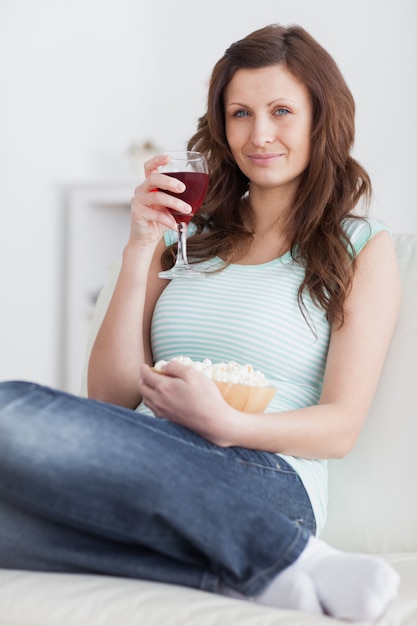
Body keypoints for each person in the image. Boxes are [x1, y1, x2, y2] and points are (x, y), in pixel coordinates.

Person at [0, 23, 401, 622]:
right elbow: (111, 397)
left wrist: (227, 422)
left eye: (282, 111)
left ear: (323, 119)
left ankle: (277, 544)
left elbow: (340, 427)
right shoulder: (190, 239)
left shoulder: (362, 247)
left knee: (13, 409)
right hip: (149, 452)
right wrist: (140, 247)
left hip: (266, 477)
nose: (259, 134)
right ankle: (272, 567)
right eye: (240, 112)